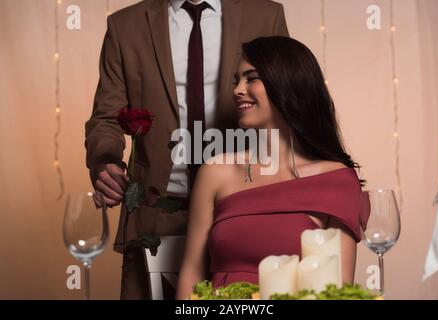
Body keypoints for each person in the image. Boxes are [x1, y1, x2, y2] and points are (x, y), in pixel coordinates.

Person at [85, 0, 289, 299]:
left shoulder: (266, 15)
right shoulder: (125, 25)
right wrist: (105, 162)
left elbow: (289, 100)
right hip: (156, 213)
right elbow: (106, 117)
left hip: (243, 211)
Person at [176, 36, 364, 299]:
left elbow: (339, 289)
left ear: (287, 82)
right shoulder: (216, 171)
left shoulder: (337, 179)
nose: (238, 90)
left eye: (251, 78)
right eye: (236, 80)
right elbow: (191, 273)